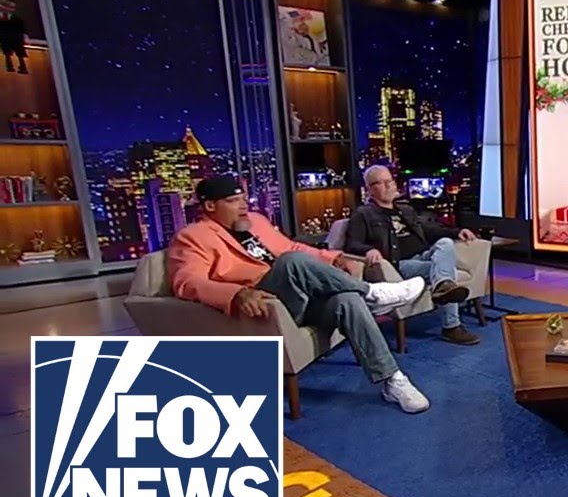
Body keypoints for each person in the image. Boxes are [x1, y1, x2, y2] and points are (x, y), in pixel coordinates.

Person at [168, 175, 432, 414]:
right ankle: (372, 293)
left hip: (299, 296)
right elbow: (187, 282)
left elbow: (292, 247)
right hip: (267, 305)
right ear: (210, 206)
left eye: (243, 198)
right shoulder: (193, 237)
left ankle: (392, 380)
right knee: (290, 262)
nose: (243, 205)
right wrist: (237, 294)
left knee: (347, 300)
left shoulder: (256, 222)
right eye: (233, 201)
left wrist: (334, 257)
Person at [342, 165, 480, 345]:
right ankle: (451, 326)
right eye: (381, 183)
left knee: (445, 243)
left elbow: (429, 230)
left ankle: (443, 286)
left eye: (389, 181)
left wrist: (457, 231)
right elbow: (351, 244)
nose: (388, 186)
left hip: (423, 255)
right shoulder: (363, 214)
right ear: (369, 189)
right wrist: (368, 250)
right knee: (447, 270)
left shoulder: (405, 209)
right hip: (400, 264)